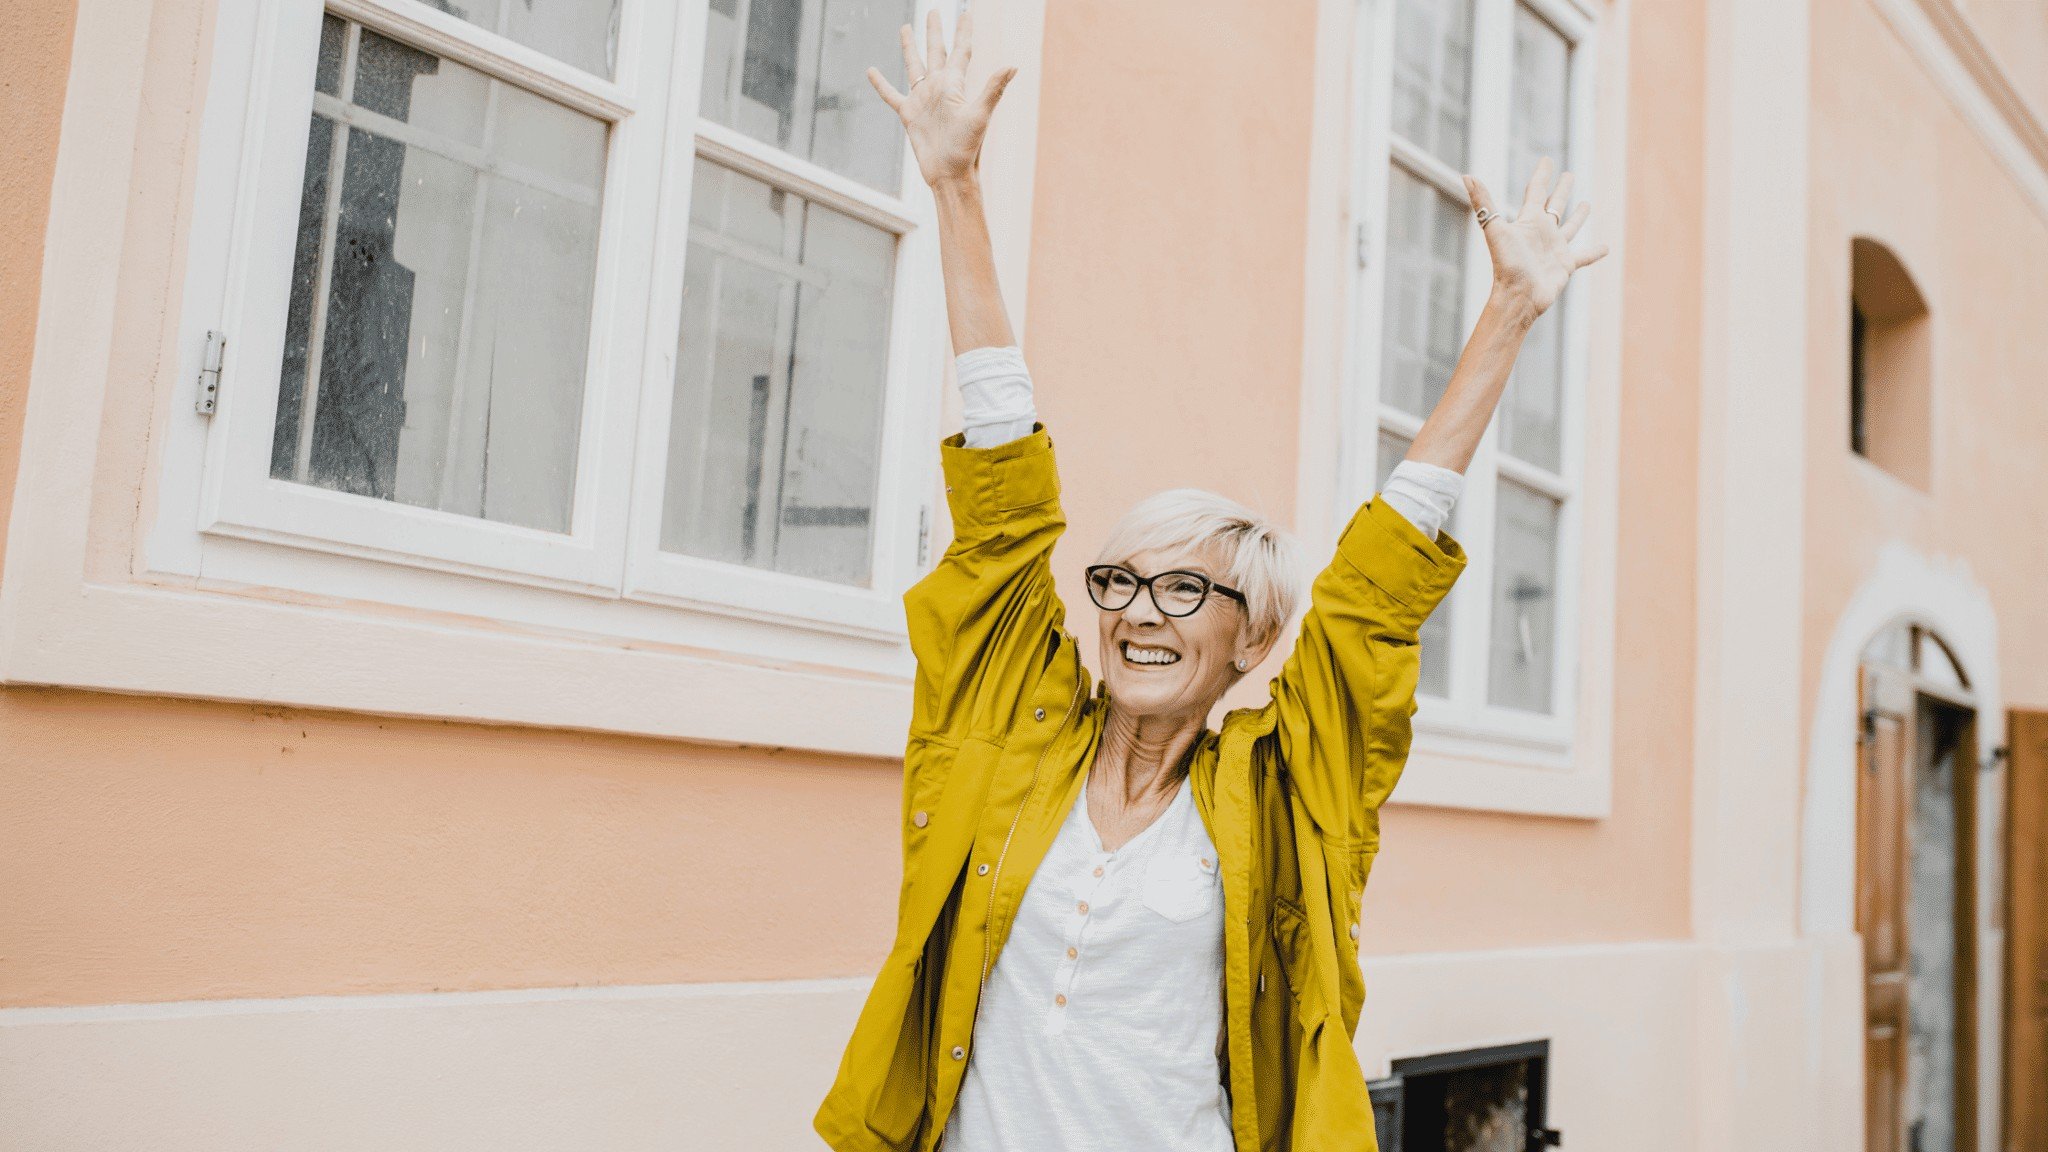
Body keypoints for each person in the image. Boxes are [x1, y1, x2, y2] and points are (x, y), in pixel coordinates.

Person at [815, 12, 1608, 1152]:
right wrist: (954, 188)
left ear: (1253, 640)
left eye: (1185, 592)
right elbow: (999, 508)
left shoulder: (1286, 792)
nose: (1139, 613)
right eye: (1120, 584)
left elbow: (1373, 596)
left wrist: (1508, 313)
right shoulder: (1009, 738)